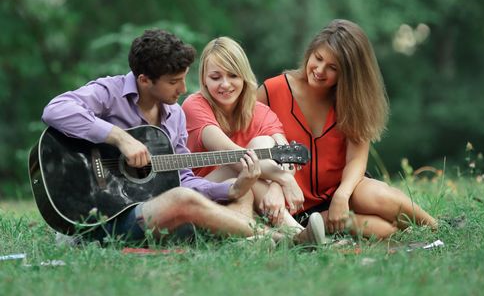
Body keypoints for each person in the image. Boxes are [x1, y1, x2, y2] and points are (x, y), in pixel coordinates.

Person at [41, 28, 323, 245]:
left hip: (146, 211)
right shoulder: (109, 93)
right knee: (181, 200)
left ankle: (257, 238)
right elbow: (56, 110)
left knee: (226, 193)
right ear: (144, 80)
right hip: (100, 218)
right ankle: (283, 239)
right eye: (174, 82)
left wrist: (233, 188)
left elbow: (183, 178)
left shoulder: (173, 116)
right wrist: (119, 138)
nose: (184, 88)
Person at [257, 19, 438, 239]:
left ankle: (437, 227)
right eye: (318, 58)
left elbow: (356, 160)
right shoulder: (273, 90)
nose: (320, 70)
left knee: (378, 196)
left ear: (348, 74)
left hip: (343, 191)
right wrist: (275, 184)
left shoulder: (353, 101)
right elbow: (250, 144)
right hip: (293, 204)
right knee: (384, 231)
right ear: (310, 52)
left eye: (333, 68)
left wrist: (341, 197)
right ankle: (323, 225)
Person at [181, 37, 323, 242]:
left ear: (244, 76)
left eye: (233, 75)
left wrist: (276, 187)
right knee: (242, 163)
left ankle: (283, 238)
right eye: (215, 77)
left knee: (263, 143)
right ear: (203, 79)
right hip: (203, 192)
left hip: (245, 195)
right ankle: (299, 233)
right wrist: (283, 179)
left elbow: (286, 155)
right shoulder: (194, 106)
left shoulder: (261, 112)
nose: (225, 84)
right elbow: (233, 156)